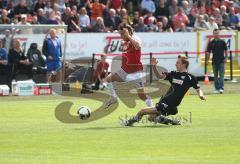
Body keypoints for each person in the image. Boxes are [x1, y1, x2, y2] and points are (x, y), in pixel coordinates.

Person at [123, 56, 206, 126]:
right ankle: (172, 122)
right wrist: (154, 66)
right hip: (165, 101)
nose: (175, 64)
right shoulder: (173, 74)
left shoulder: (190, 77)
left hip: (168, 104)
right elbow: (159, 76)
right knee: (151, 117)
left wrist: (201, 95)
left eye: (178, 62)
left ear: (184, 64)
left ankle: (129, 123)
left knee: (142, 111)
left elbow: (198, 89)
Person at [103, 23, 153, 109]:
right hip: (124, 71)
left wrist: (129, 36)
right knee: (108, 79)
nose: (121, 36)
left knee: (142, 96)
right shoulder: (125, 42)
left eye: (123, 33)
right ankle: (114, 98)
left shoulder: (135, 38)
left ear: (129, 32)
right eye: (120, 34)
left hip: (135, 73)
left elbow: (138, 47)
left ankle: (153, 109)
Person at [206, 29, 228, 94]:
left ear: (219, 34)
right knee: (215, 76)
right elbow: (208, 52)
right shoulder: (211, 43)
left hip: (222, 61)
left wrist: (226, 58)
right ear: (213, 34)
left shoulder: (222, 42)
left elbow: (226, 51)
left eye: (217, 33)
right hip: (214, 61)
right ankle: (216, 89)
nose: (216, 34)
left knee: (221, 76)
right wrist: (207, 60)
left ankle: (221, 88)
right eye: (215, 33)